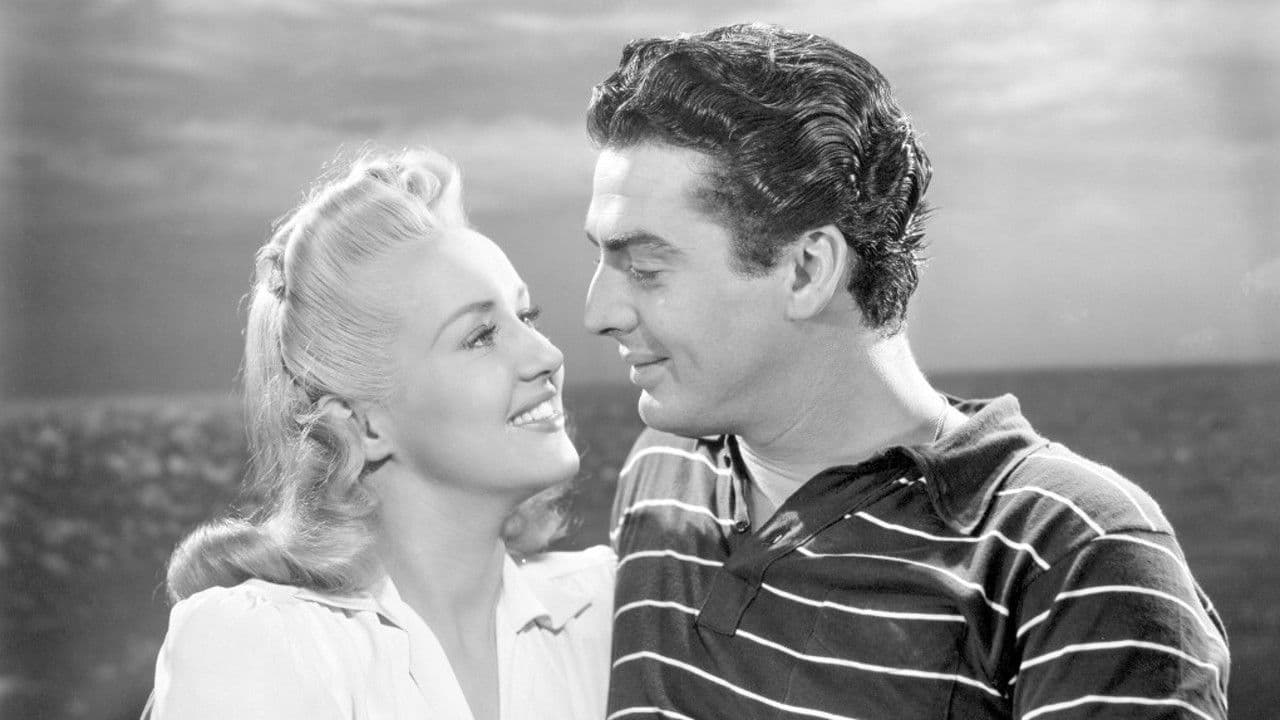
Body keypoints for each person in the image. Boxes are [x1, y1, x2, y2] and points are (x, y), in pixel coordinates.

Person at [583, 23, 1229, 720]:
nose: (597, 312)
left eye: (645, 268)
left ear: (807, 270)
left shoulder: (1074, 557)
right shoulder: (662, 471)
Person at [147, 148, 612, 720]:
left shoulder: (608, 609)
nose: (548, 357)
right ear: (360, 424)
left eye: (527, 316)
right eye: (481, 336)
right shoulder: (261, 649)